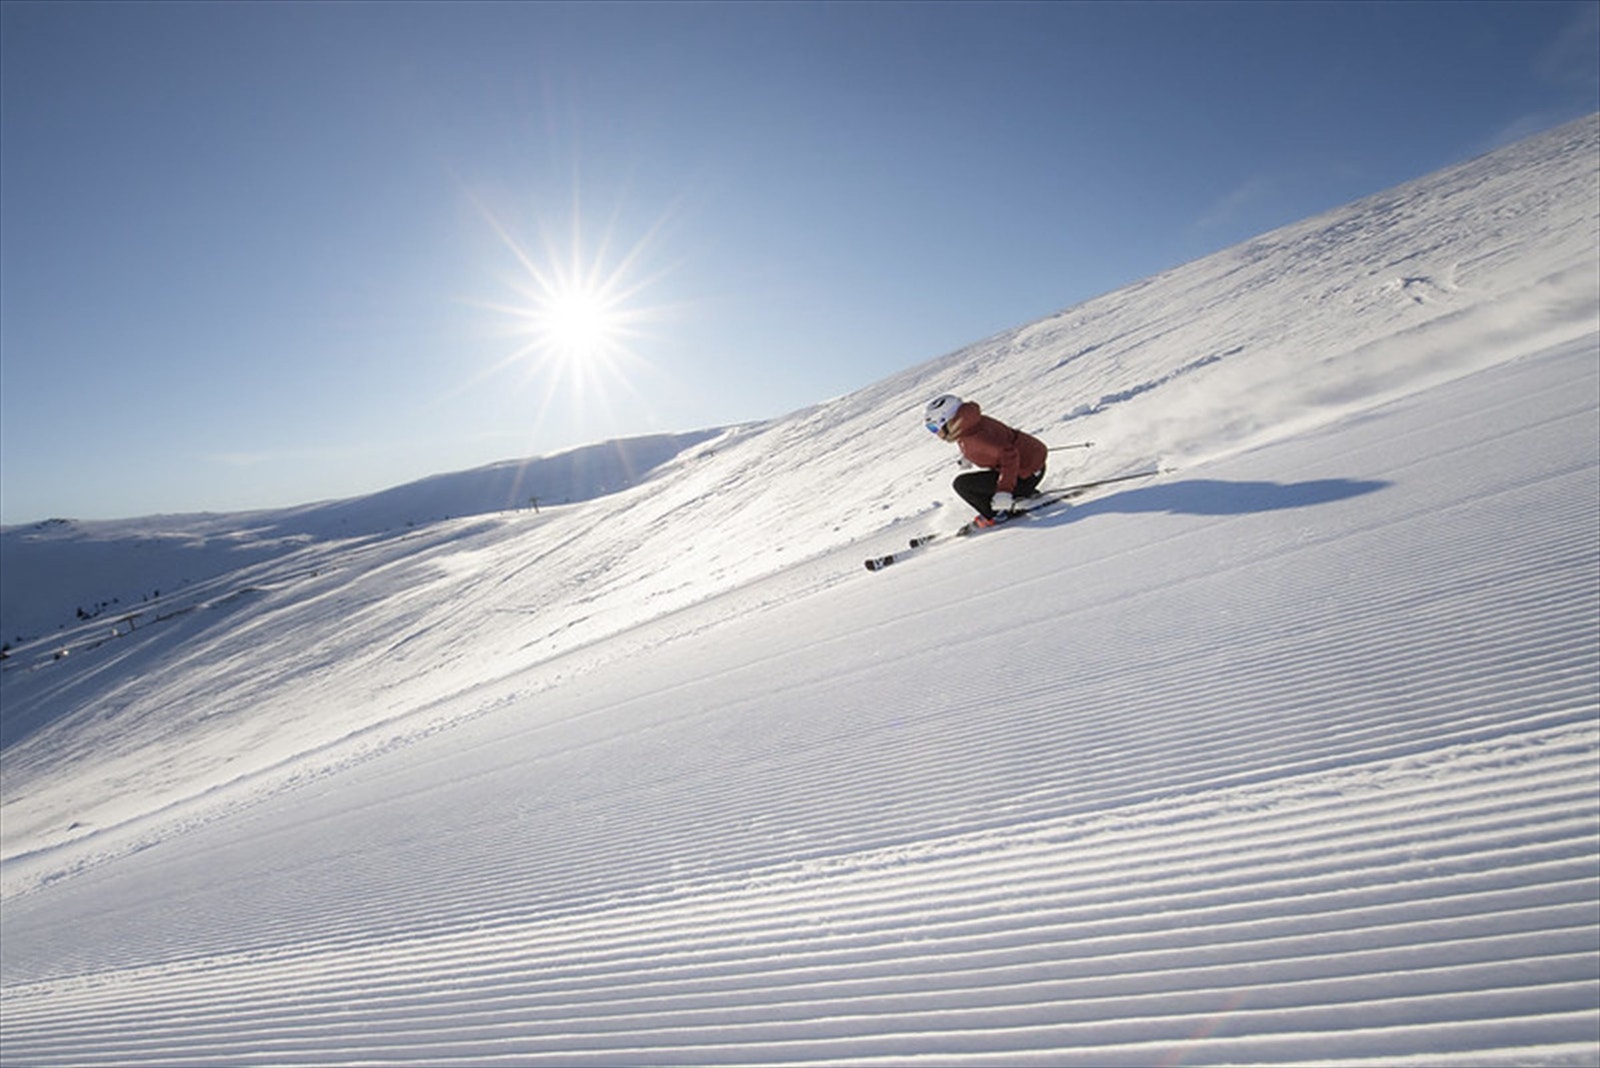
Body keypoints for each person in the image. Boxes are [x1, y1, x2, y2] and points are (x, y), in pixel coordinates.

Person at [923, 394, 1048, 526]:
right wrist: (968, 456)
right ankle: (1018, 496)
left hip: (1027, 475)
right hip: (1032, 467)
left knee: (962, 485)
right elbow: (998, 439)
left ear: (947, 420)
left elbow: (1010, 455)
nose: (935, 433)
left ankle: (998, 513)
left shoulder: (974, 438)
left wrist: (1004, 492)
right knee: (979, 482)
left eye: (933, 427)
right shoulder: (970, 423)